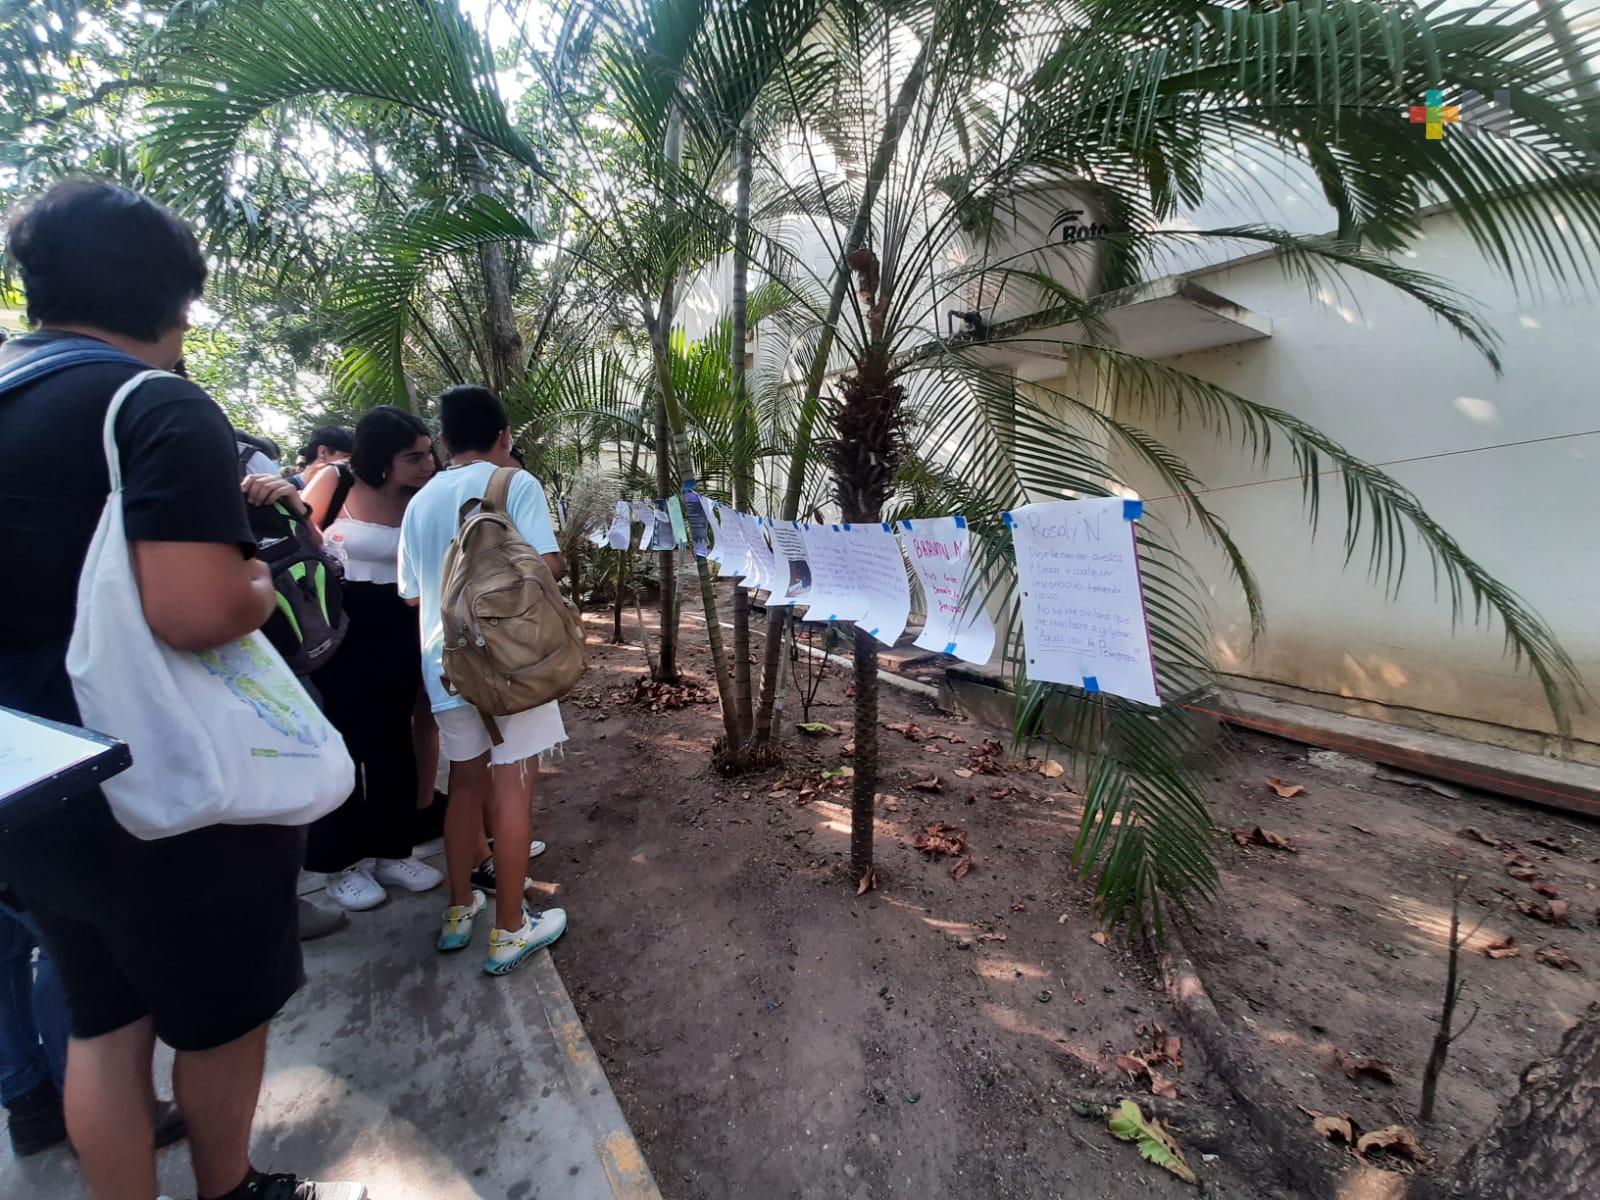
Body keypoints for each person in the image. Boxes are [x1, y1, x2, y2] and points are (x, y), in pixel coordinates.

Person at [0, 179, 362, 1200]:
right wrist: (256, 570)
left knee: (103, 1020)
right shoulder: (150, 404)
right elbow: (200, 608)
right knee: (219, 1013)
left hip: (34, 782)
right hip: (166, 784)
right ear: (173, 300)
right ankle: (229, 1185)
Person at [398, 385, 569, 977]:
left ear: (443, 442)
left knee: (465, 785)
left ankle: (458, 910)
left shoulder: (419, 502)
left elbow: (412, 594)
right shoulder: (512, 483)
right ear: (504, 437)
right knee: (515, 788)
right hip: (506, 665)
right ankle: (511, 929)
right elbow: (545, 567)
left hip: (442, 664)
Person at [301, 406, 443, 912]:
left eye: (428, 454)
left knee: (392, 744)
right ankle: (338, 864)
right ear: (380, 458)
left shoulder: (424, 498)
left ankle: (391, 850)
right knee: (341, 745)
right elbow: (294, 543)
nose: (427, 465)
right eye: (413, 457)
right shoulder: (332, 482)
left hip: (400, 624)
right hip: (337, 628)